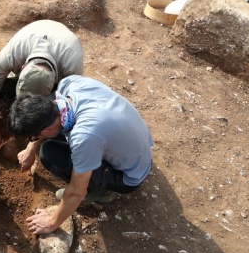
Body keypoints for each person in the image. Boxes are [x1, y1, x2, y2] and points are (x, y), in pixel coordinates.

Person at [8, 75, 153, 235]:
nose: (33, 140)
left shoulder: (84, 137)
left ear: (44, 130)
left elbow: (77, 192)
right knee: (53, 143)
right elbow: (50, 124)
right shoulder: (69, 85)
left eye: (33, 137)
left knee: (49, 153)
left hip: (128, 176)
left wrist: (50, 222)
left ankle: (101, 193)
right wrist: (31, 148)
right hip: (133, 144)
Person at [0, 20, 83, 151]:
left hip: (64, 49)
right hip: (34, 34)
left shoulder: (71, 66)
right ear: (22, 67)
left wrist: (33, 144)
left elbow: (69, 103)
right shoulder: (13, 54)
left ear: (54, 83)